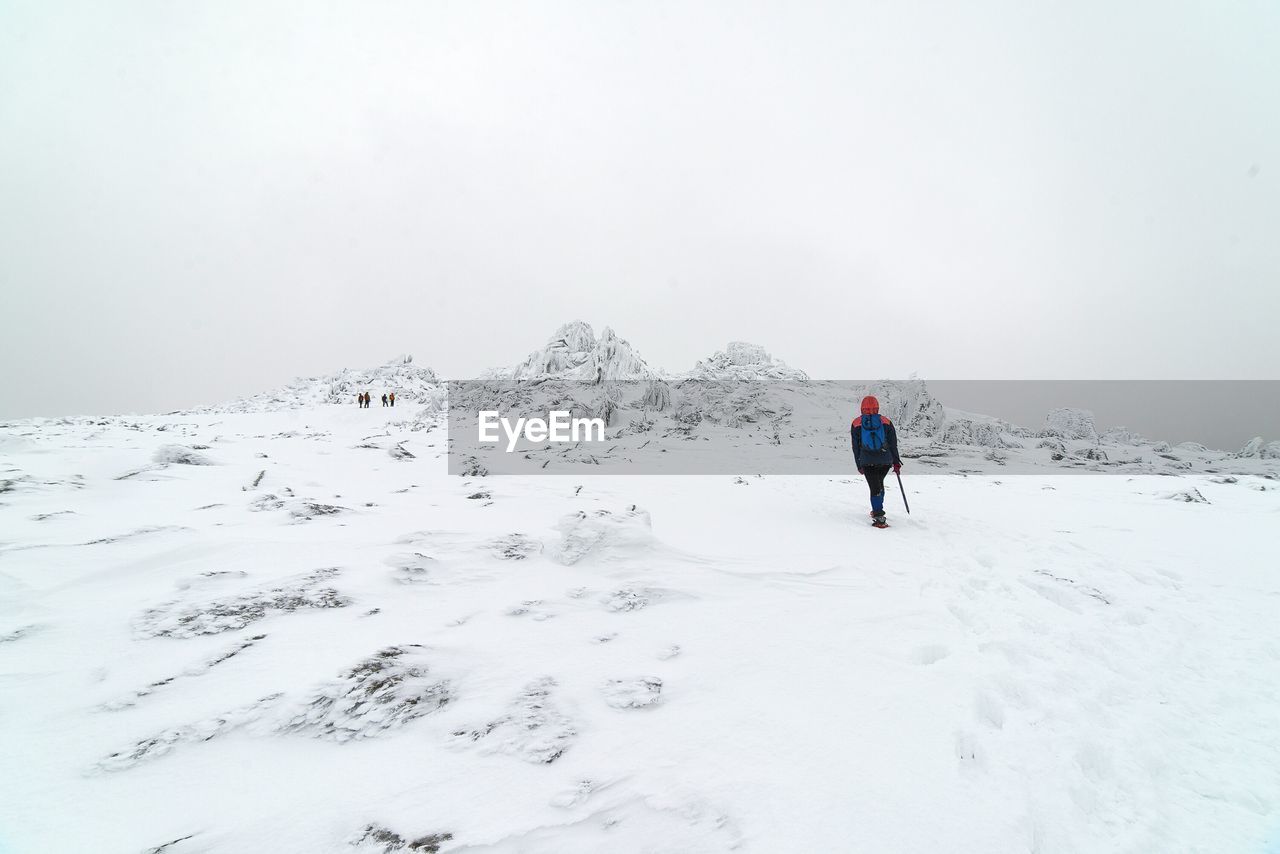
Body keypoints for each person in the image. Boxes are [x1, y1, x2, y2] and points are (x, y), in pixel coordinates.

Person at [851, 395, 902, 526]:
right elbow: (892, 443)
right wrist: (896, 462)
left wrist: (859, 464)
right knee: (879, 484)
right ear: (877, 407)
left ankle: (879, 516)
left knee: (874, 487)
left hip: (867, 460)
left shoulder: (856, 423)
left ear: (862, 408)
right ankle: (877, 510)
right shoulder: (886, 421)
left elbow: (856, 446)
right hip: (885, 460)